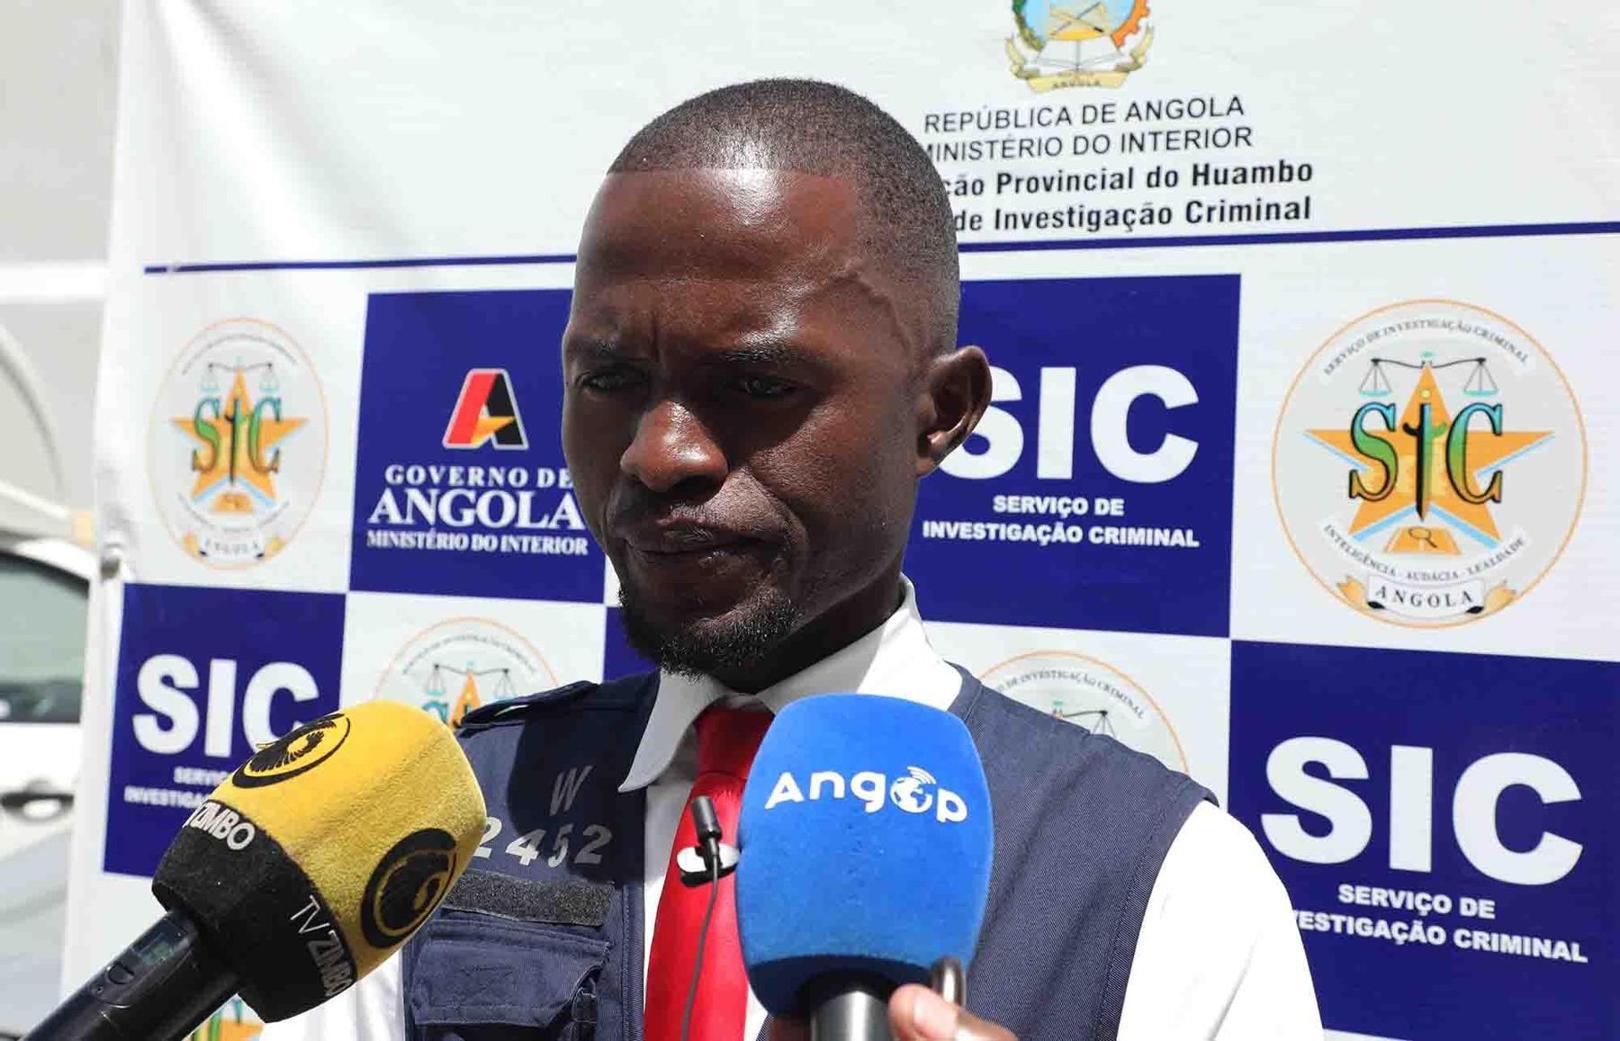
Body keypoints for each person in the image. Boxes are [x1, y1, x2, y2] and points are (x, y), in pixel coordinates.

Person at [264, 79, 1320, 1041]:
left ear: (940, 413)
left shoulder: (1162, 880)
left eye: (759, 385)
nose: (659, 454)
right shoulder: (448, 817)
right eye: (611, 381)